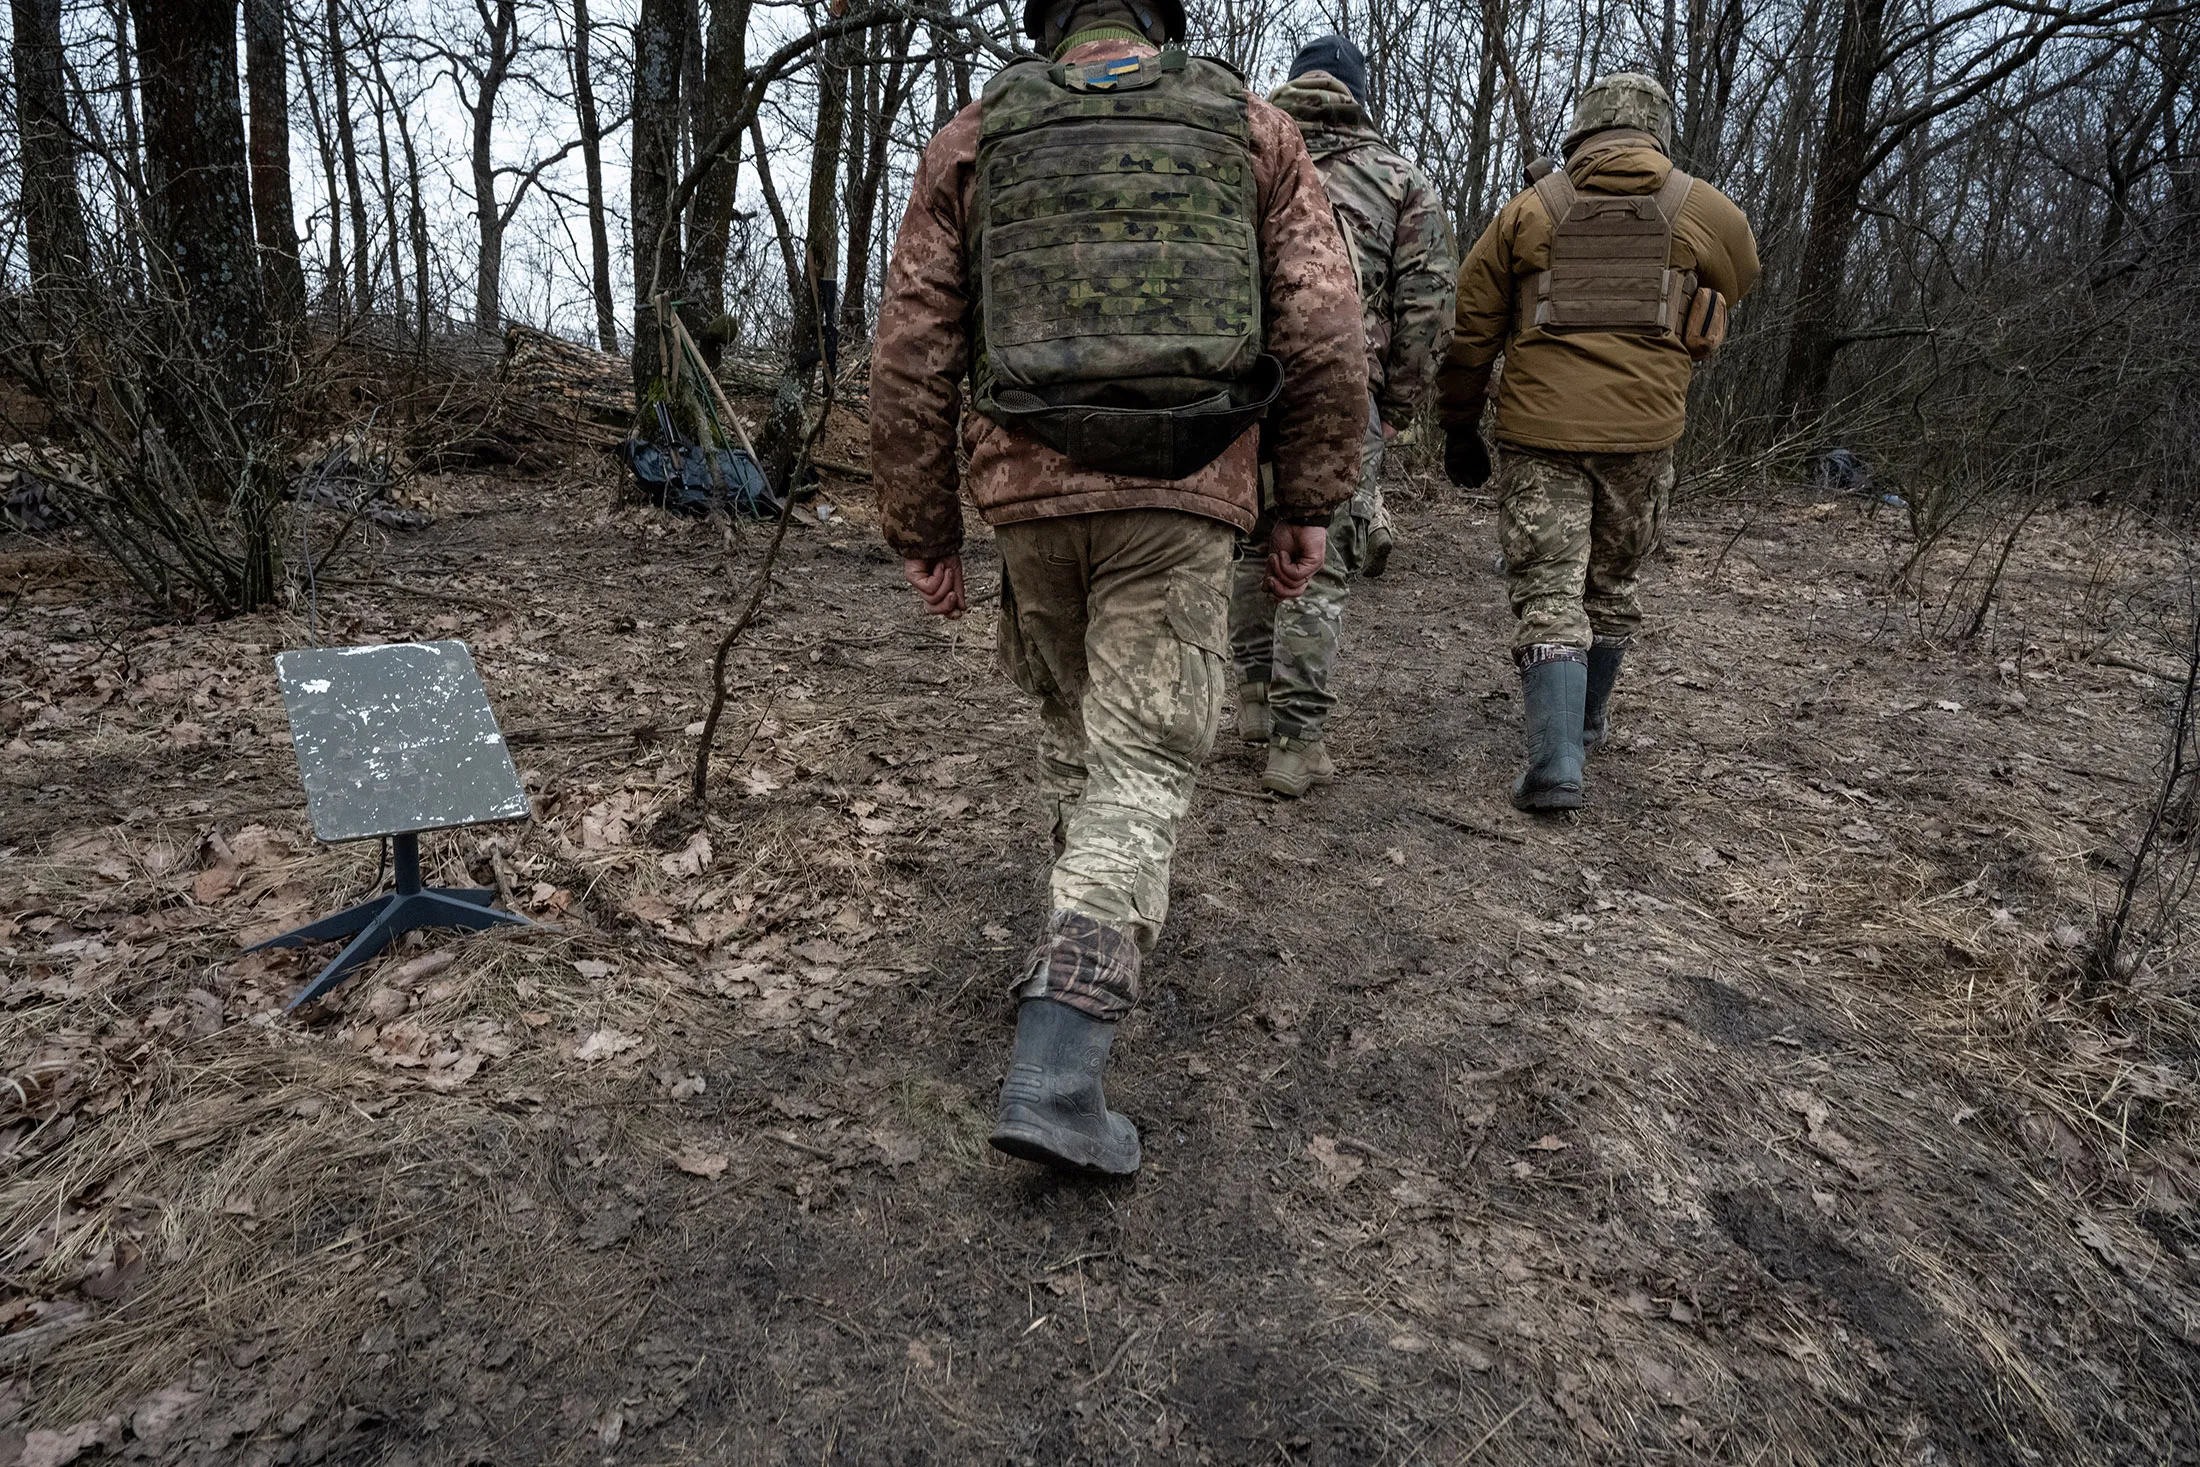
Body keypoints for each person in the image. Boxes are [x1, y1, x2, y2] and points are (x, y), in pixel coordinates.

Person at [871, 0, 1367, 1175]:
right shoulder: (1248, 127)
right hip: (1184, 479)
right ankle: (1060, 1062)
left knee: (1077, 737)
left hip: (1028, 486)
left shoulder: (979, 133)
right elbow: (1324, 326)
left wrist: (921, 524)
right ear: (1159, 14)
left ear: (1055, 22)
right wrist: (1307, 501)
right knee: (1142, 756)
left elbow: (911, 341)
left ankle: (1072, 944)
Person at [1434, 72, 1758, 810]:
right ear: (1658, 135)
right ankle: (1584, 727)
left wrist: (1458, 425)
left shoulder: (1528, 211)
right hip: (1643, 435)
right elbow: (1740, 277)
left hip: (1538, 434)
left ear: (1579, 132)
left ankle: (1555, 763)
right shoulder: (1701, 208)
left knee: (1549, 591)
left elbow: (1470, 333)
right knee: (1611, 588)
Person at [1226, 34, 1456, 798]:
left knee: (1254, 548)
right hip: (1340, 395)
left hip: (1244, 389)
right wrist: (1393, 408)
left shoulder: (1243, 154)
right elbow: (1428, 305)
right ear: (1357, 96)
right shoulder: (1398, 180)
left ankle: (1253, 706)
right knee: (1316, 563)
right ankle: (1295, 742)